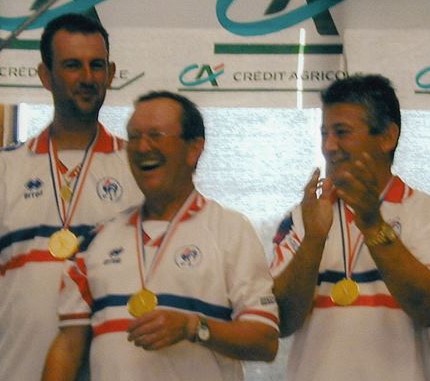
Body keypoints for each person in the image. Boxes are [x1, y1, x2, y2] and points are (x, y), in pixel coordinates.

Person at [42, 90, 279, 381]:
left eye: (156, 135)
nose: (142, 147)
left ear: (194, 149)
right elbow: (68, 346)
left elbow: (265, 341)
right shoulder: (97, 240)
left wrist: (192, 327)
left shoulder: (230, 230)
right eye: (135, 136)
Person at [0, 13, 142, 381]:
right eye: (72, 66)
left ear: (111, 73)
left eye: (97, 66)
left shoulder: (139, 168)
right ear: (45, 76)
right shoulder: (6, 169)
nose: (87, 78)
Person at [270, 74, 430, 381]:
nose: (329, 146)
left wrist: (372, 225)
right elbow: (282, 320)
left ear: (387, 137)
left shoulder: (423, 212)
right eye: (324, 133)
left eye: (341, 132)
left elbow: (426, 308)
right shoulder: (302, 217)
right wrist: (314, 239)